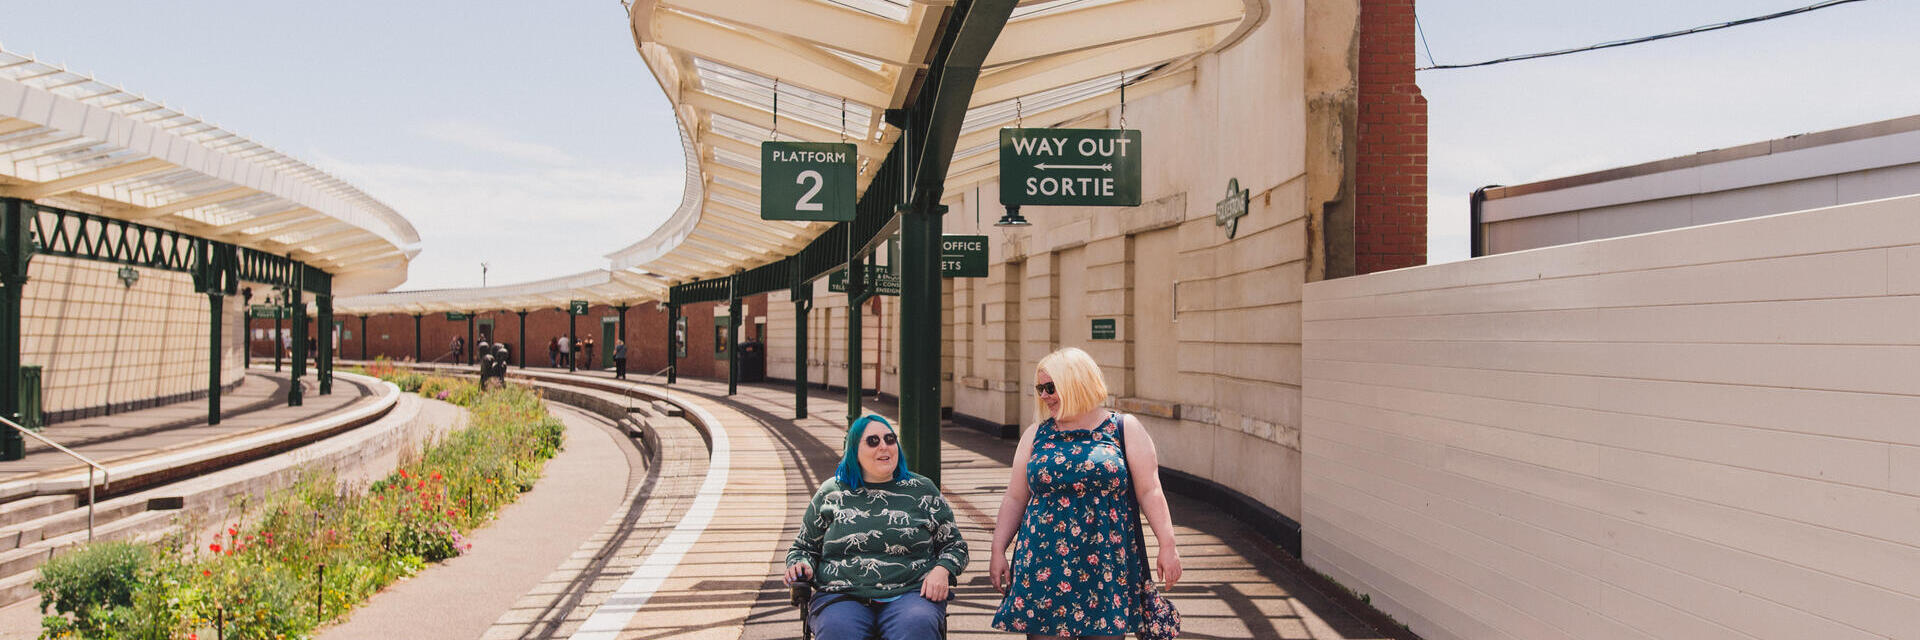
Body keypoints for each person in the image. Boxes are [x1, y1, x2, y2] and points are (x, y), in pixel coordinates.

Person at [989, 347, 1182, 638]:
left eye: (1051, 387)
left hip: (1106, 561)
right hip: (1044, 563)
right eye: (1040, 388)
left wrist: (1168, 545)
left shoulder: (1122, 428)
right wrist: (997, 550)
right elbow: (1015, 497)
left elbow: (1150, 490)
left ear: (1075, 384)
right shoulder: (1035, 434)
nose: (1044, 396)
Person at [787, 415, 967, 640]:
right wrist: (801, 565)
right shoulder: (831, 493)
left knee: (916, 626)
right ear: (854, 450)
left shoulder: (922, 490)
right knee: (839, 632)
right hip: (843, 595)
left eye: (890, 439)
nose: (884, 446)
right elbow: (803, 548)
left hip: (910, 593)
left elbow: (955, 546)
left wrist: (942, 570)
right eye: (872, 441)